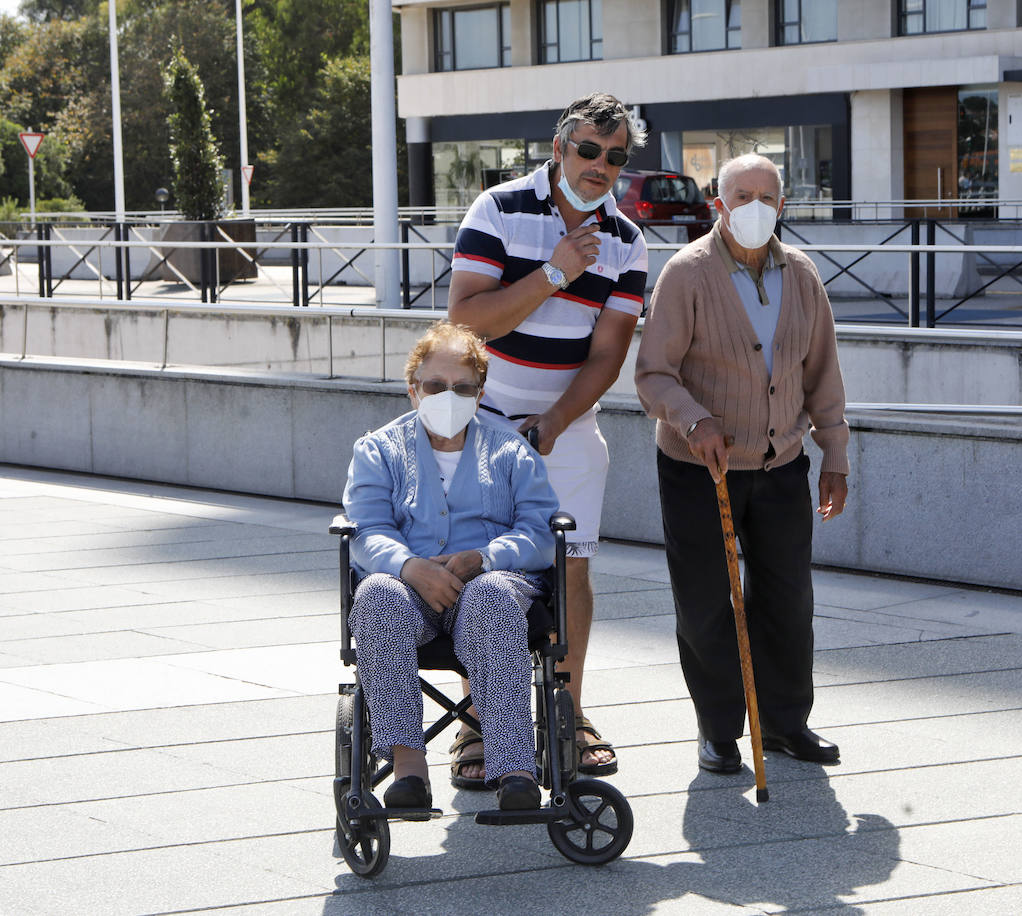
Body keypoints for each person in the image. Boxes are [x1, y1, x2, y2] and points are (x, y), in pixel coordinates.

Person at [445, 92, 648, 786]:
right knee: (478, 567)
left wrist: (558, 422)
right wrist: (556, 273)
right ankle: (479, 722)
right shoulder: (497, 210)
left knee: (572, 571)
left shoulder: (627, 239)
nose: (601, 165)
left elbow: (608, 355)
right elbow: (468, 323)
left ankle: (566, 710)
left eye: (615, 156)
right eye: (589, 149)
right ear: (558, 148)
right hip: (481, 425)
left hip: (569, 426)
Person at [635, 153, 850, 775]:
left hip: (782, 463)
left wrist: (833, 452)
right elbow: (653, 374)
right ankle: (720, 728)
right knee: (706, 599)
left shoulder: (804, 276)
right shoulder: (686, 274)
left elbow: (823, 375)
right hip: (700, 468)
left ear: (782, 206)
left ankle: (785, 724)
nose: (754, 207)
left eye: (767, 196)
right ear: (717, 203)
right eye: (741, 195)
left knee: (788, 597)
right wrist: (693, 419)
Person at [342, 321, 558, 811]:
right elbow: (366, 529)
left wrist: (483, 558)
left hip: (487, 590)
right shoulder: (378, 450)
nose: (448, 396)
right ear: (412, 389)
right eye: (436, 386)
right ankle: (408, 769)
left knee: (492, 596)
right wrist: (410, 566)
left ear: (480, 394)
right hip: (407, 593)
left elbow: (541, 533)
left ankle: (515, 769)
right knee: (376, 596)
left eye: (462, 388)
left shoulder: (511, 451)